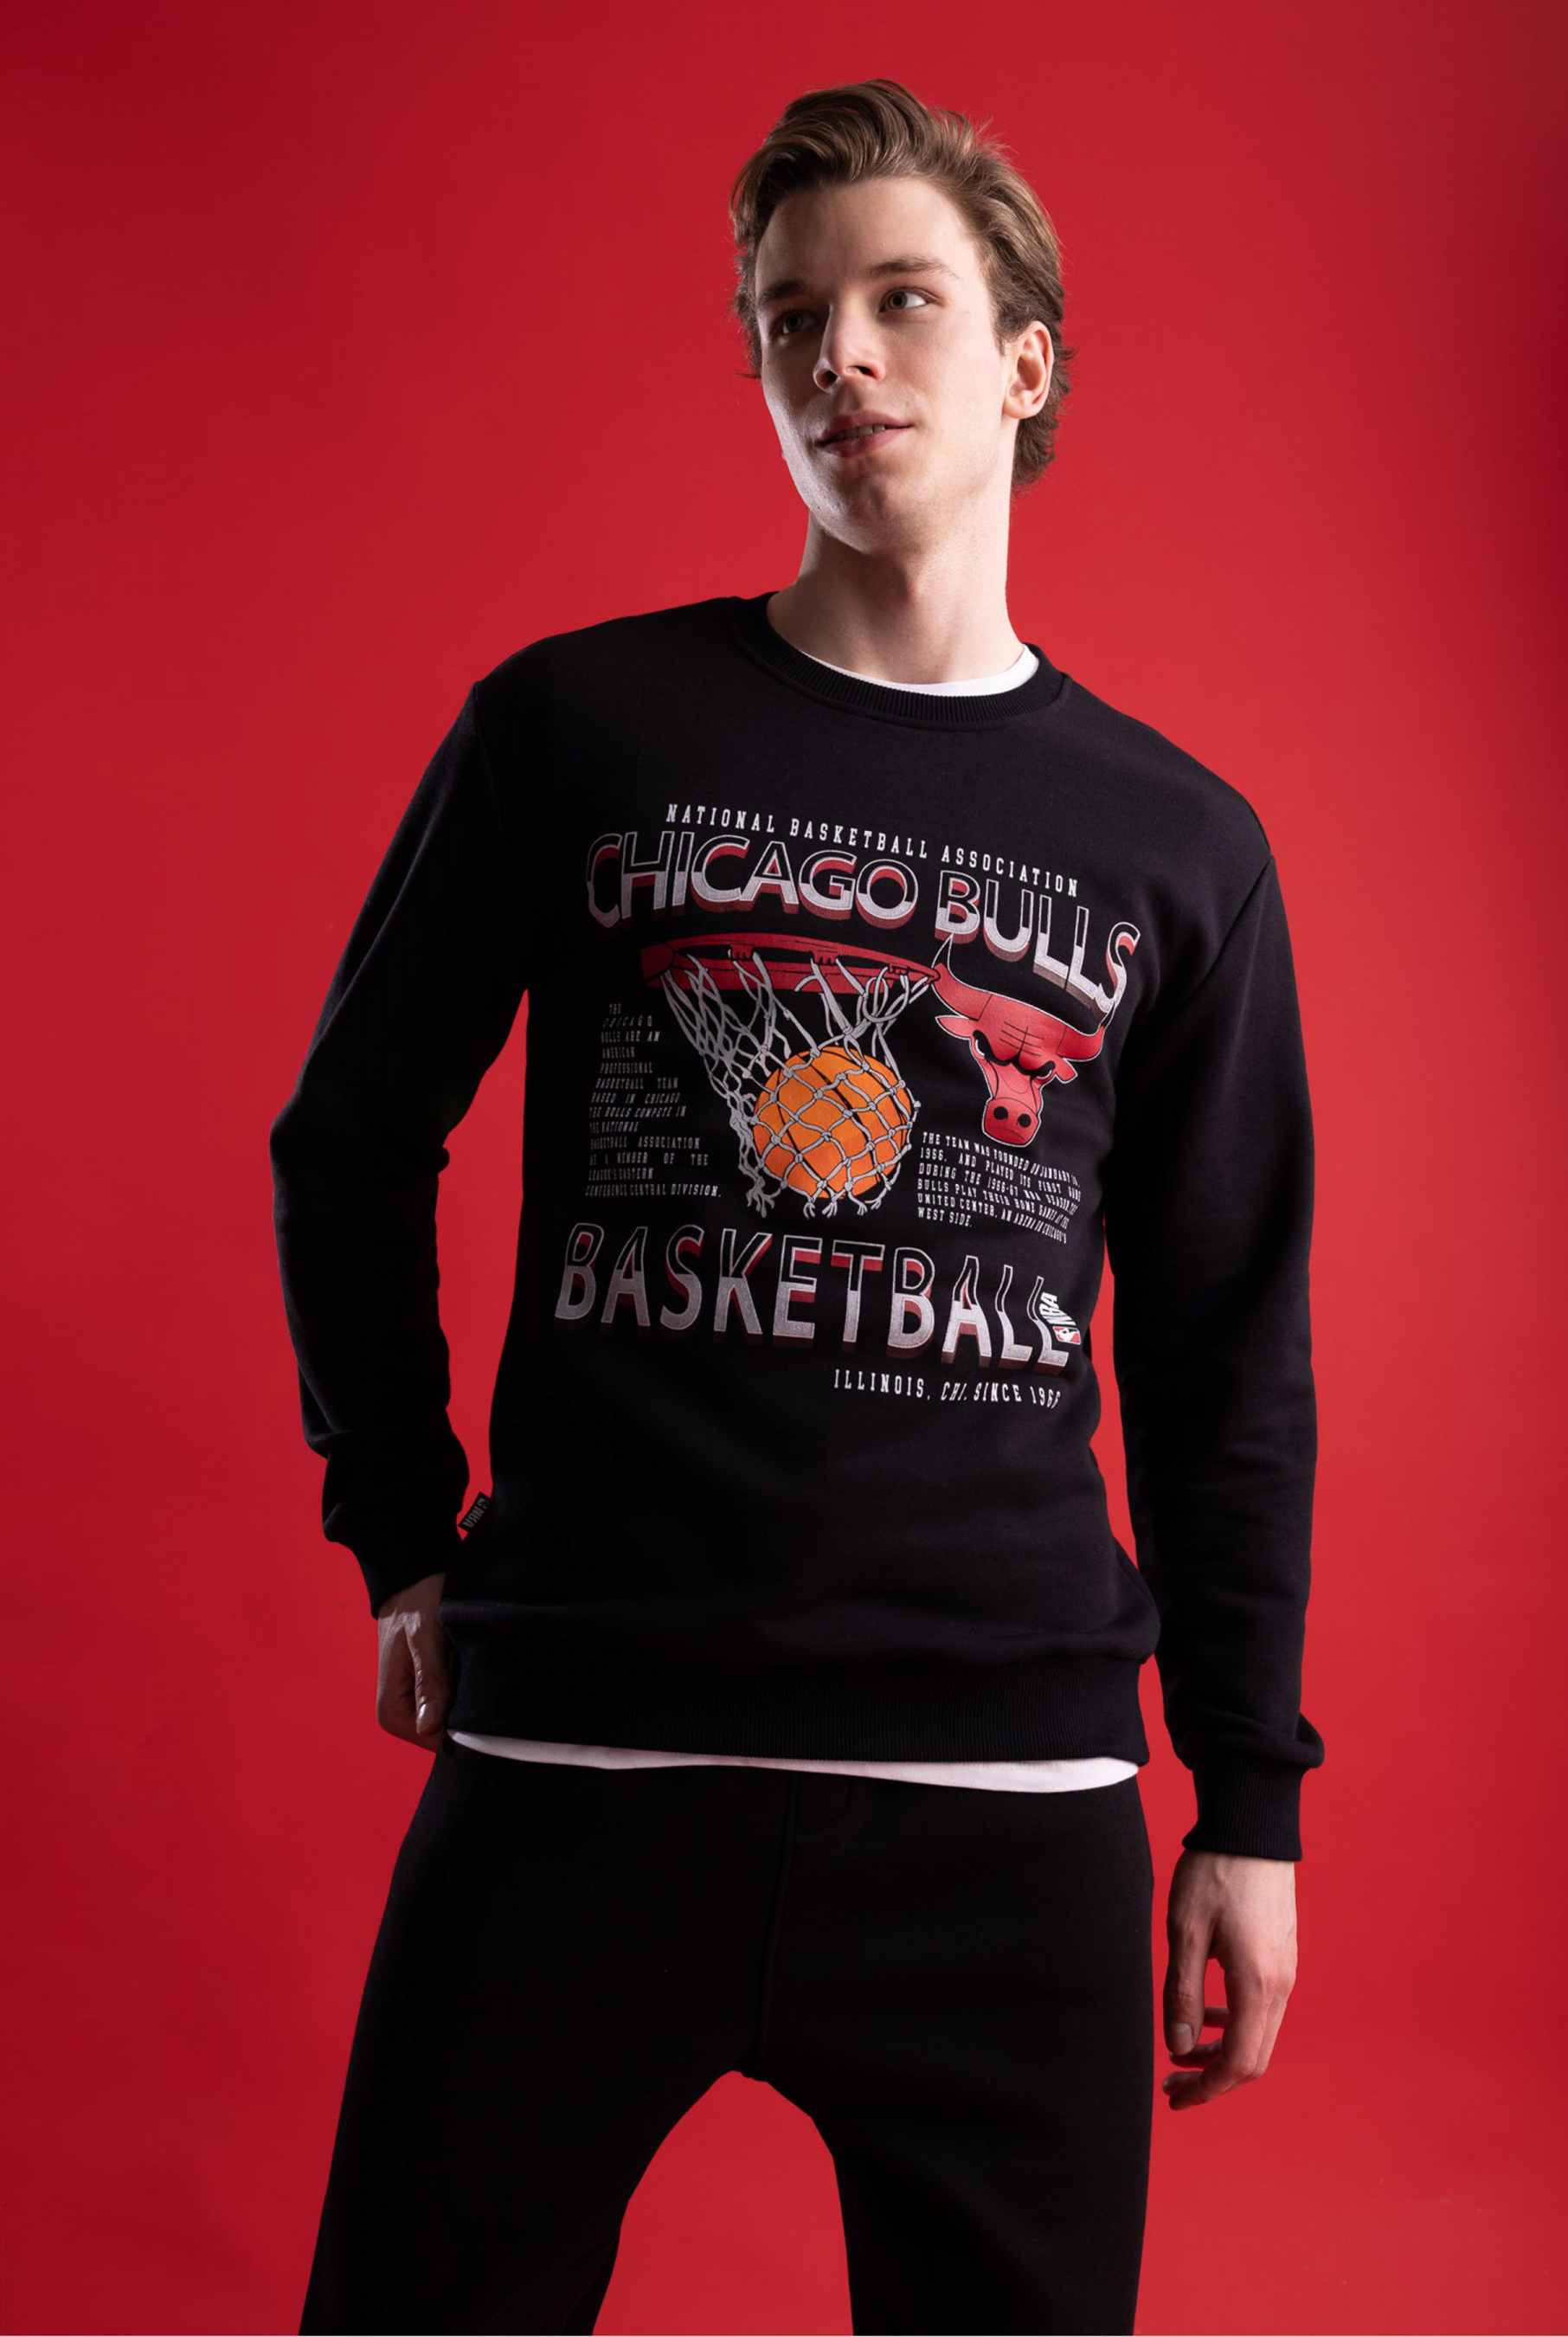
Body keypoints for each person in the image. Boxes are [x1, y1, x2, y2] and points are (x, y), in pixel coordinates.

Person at [270, 76, 1324, 2337]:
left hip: (1005, 1790)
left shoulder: (1179, 843)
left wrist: (1250, 1798)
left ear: (1023, 359)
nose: (837, 353)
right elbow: (344, 1137)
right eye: (788, 318)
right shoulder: (576, 729)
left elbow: (1225, 1346)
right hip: (584, 1754)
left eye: (899, 300)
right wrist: (400, 1525)